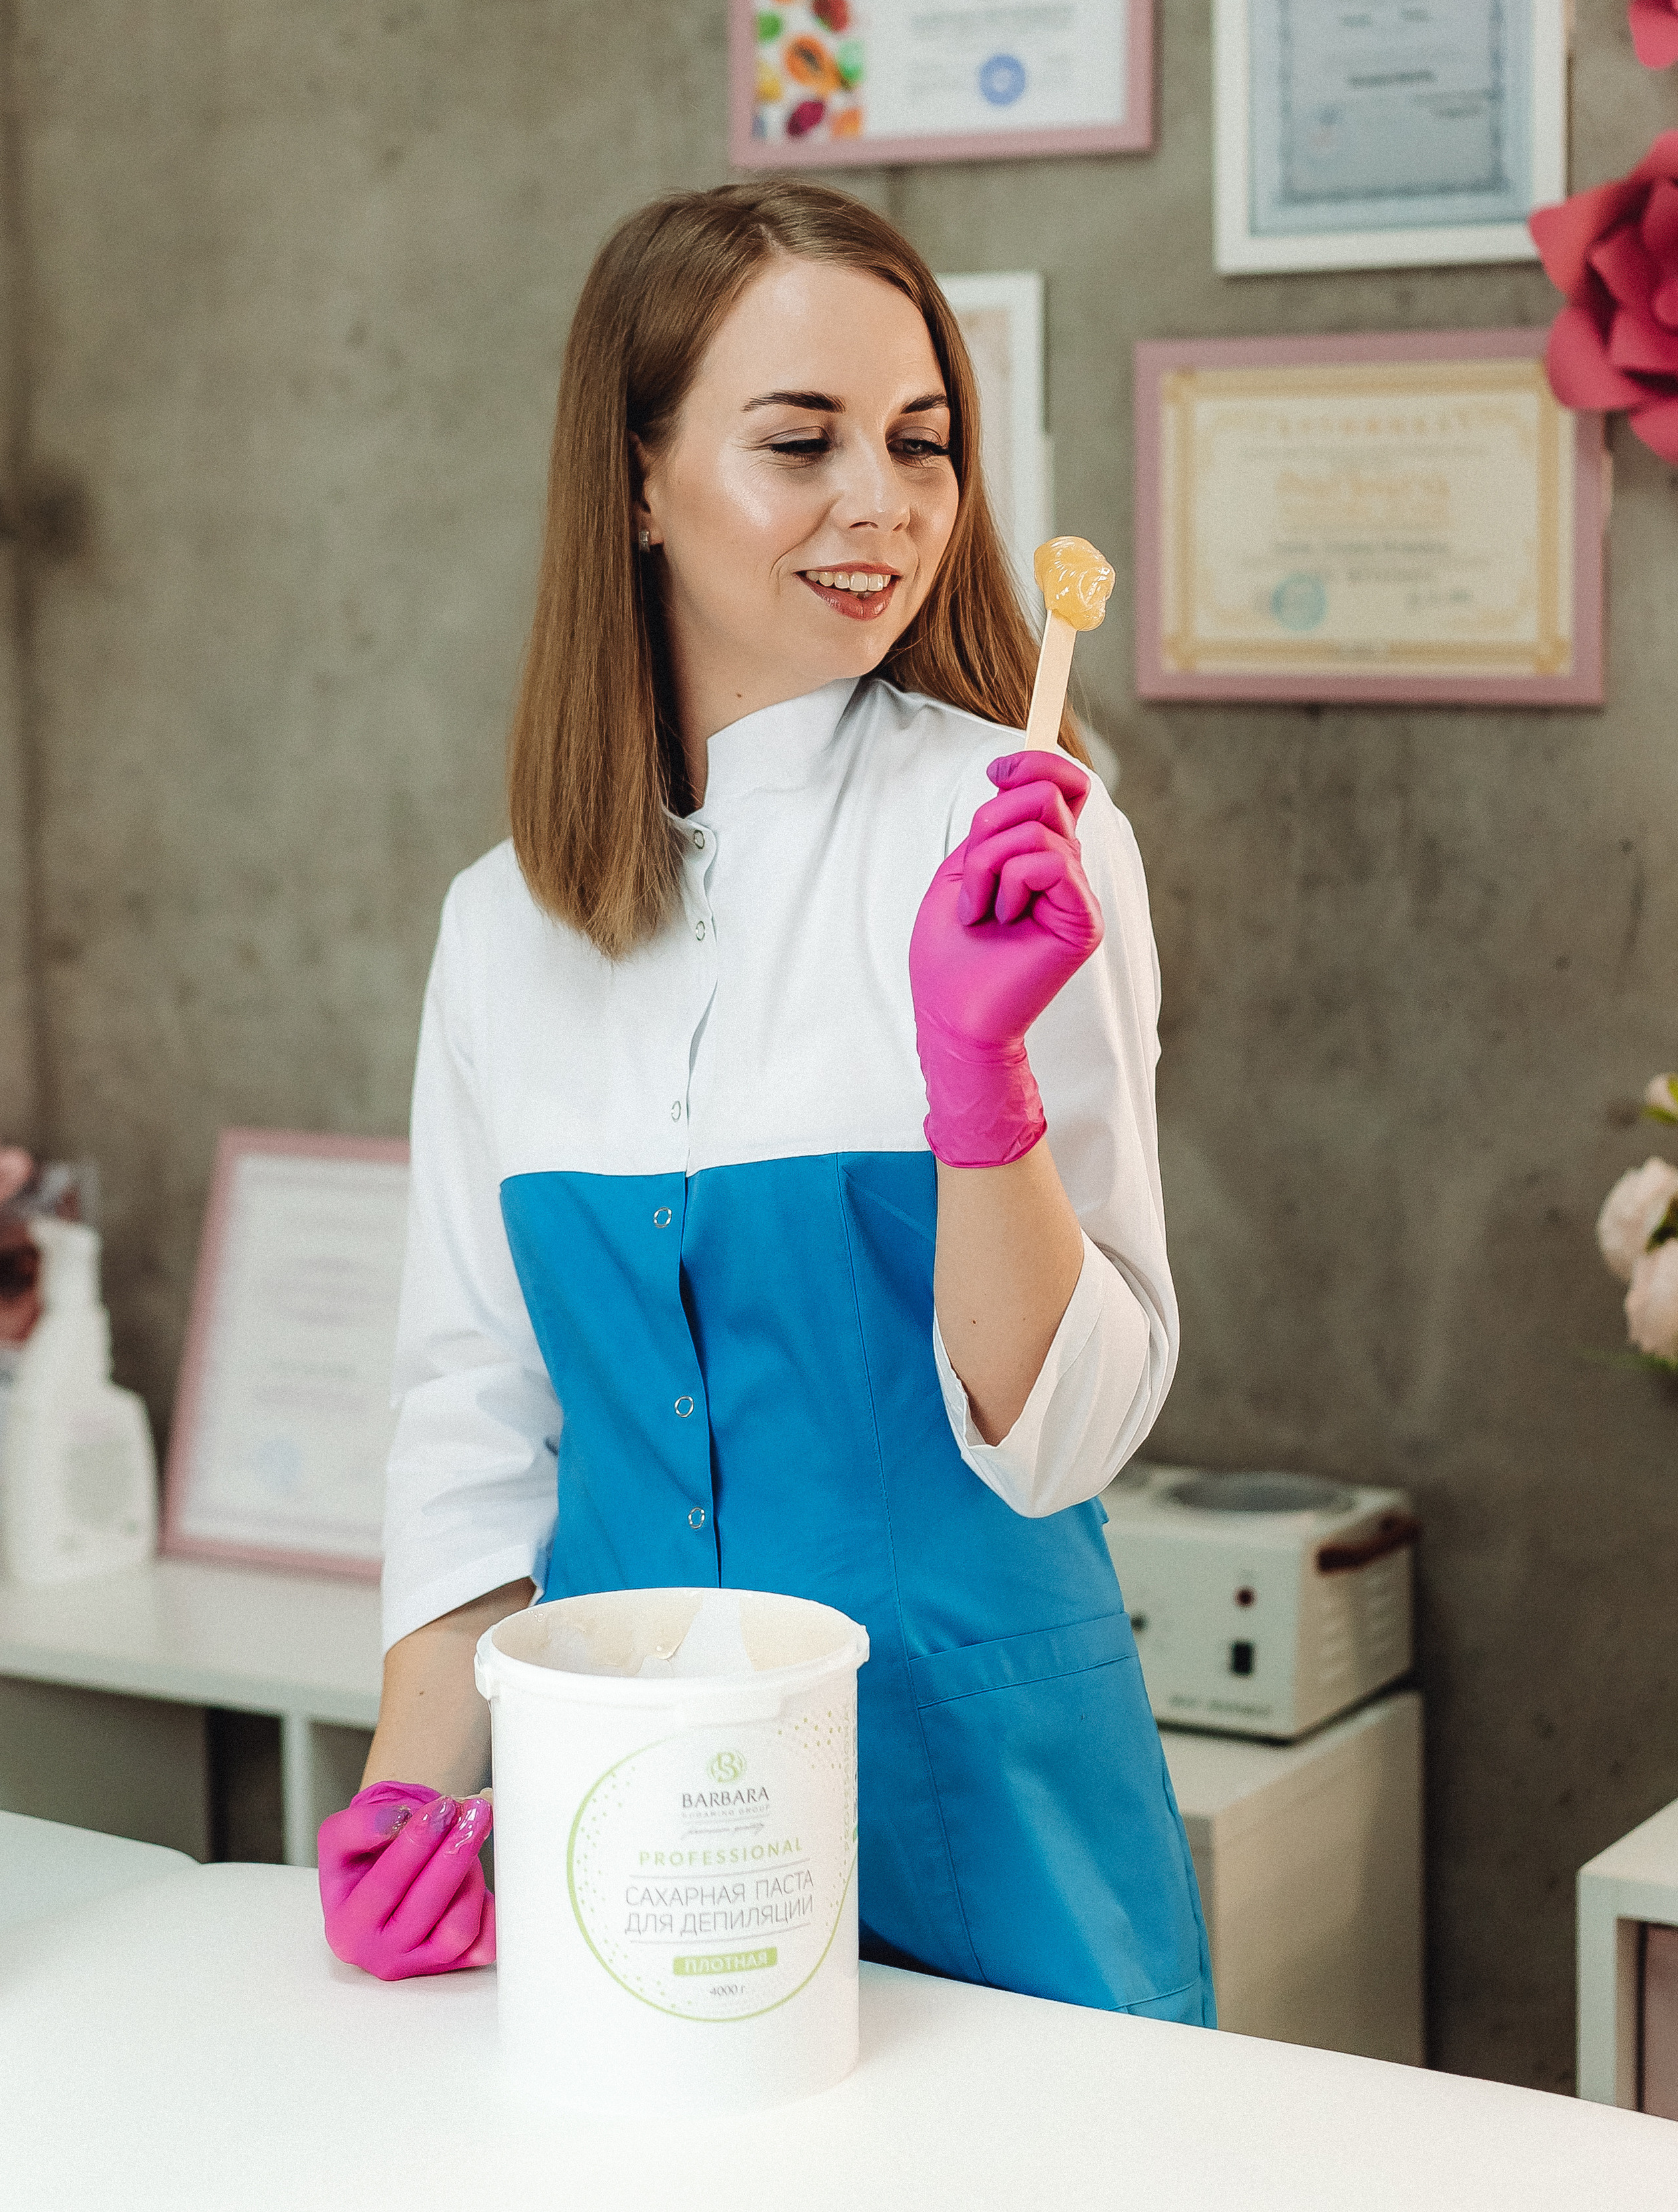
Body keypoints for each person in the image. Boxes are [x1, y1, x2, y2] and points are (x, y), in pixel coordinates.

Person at [317, 180, 1212, 2022]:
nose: (880, 503)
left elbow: (1072, 1432)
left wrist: (982, 1090)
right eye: (800, 440)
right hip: (639, 1826)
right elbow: (473, 1413)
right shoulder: (503, 927)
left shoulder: (1026, 836)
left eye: (922, 442)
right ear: (636, 483)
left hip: (994, 1817)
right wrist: (415, 1786)